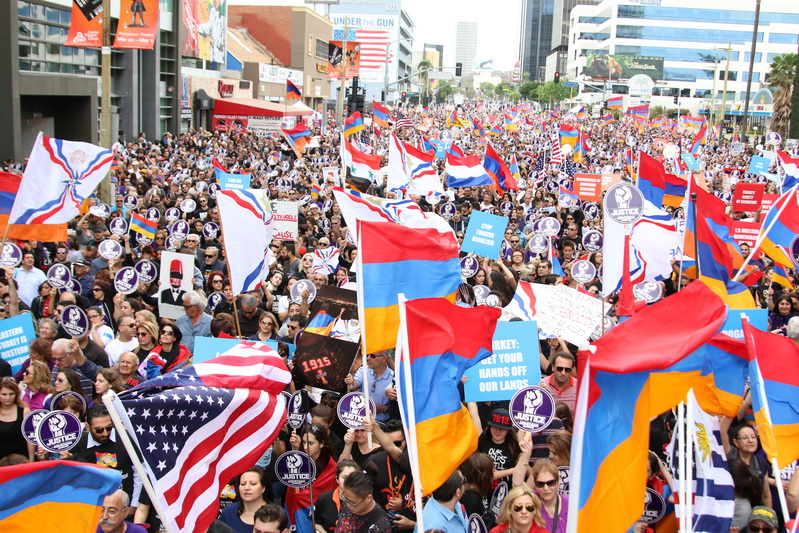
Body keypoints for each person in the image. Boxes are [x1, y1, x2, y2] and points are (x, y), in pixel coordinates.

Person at [73, 404, 139, 506]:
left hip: (124, 506)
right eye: (99, 430)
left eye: (109, 428)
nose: (105, 433)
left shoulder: (125, 438)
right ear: (88, 427)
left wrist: (134, 505)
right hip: (92, 505)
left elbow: (139, 472)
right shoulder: (78, 444)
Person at [287, 423, 338, 527]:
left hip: (319, 515)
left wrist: (300, 497)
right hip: (297, 515)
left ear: (321, 444)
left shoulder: (331, 467)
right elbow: (292, 489)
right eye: (304, 442)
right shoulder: (299, 461)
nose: (306, 447)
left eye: (310, 443)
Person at [335, 466, 393, 533]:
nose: (348, 505)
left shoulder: (381, 526)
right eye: (346, 499)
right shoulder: (345, 505)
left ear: (368, 498)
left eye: (352, 502)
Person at [345, 350, 394, 422]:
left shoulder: (393, 377)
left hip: (382, 423)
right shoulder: (363, 370)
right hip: (361, 420)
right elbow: (354, 384)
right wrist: (351, 382)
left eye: (372, 356)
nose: (368, 358)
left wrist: (382, 409)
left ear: (383, 359)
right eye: (367, 355)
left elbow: (397, 406)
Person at [477, 408, 521, 488]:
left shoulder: (514, 445)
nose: (498, 431)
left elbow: (525, 427)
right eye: (495, 427)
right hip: (483, 491)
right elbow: (474, 414)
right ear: (490, 427)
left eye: (502, 428)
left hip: (506, 492)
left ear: (508, 431)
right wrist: (513, 470)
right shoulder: (483, 439)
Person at [218, 467, 270, 533]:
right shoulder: (228, 513)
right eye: (243, 484)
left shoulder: (276, 513)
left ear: (263, 488)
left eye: (253, 484)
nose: (246, 488)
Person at [315, 460, 360, 533]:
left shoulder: (363, 500)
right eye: (344, 477)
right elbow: (316, 522)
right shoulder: (324, 498)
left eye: (352, 477)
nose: (348, 481)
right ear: (337, 479)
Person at [529, 459, 567, 532]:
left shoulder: (571, 505)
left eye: (550, 483)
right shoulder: (529, 502)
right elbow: (517, 483)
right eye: (540, 484)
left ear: (558, 482)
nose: (546, 488)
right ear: (535, 485)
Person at [0, 380, 34, 462]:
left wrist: (31, 460)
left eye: (11, 394)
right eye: (4, 394)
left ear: (16, 394)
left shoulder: (25, 411)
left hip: (20, 459)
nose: (8, 398)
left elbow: (30, 439)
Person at [538, 352, 577, 417]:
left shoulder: (579, 387)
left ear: (571, 370)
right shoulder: (542, 385)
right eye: (559, 369)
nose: (563, 373)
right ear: (553, 368)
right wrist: (539, 394)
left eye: (567, 370)